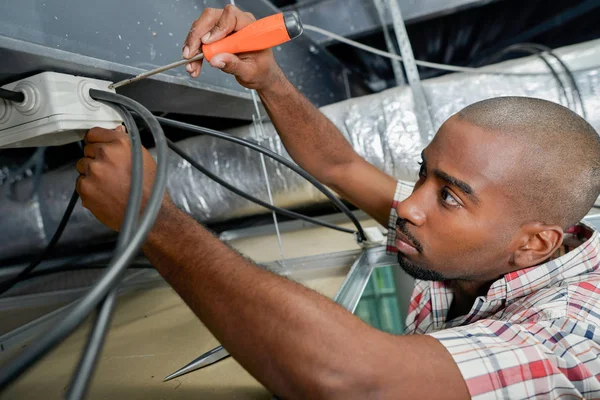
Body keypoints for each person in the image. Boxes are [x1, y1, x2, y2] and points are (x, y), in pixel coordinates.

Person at [76, 5, 600, 399]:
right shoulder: (480, 234)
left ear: (534, 244)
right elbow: (341, 168)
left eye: (448, 196)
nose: (410, 207)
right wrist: (268, 78)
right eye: (423, 174)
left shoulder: (578, 329)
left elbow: (353, 381)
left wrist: (151, 218)